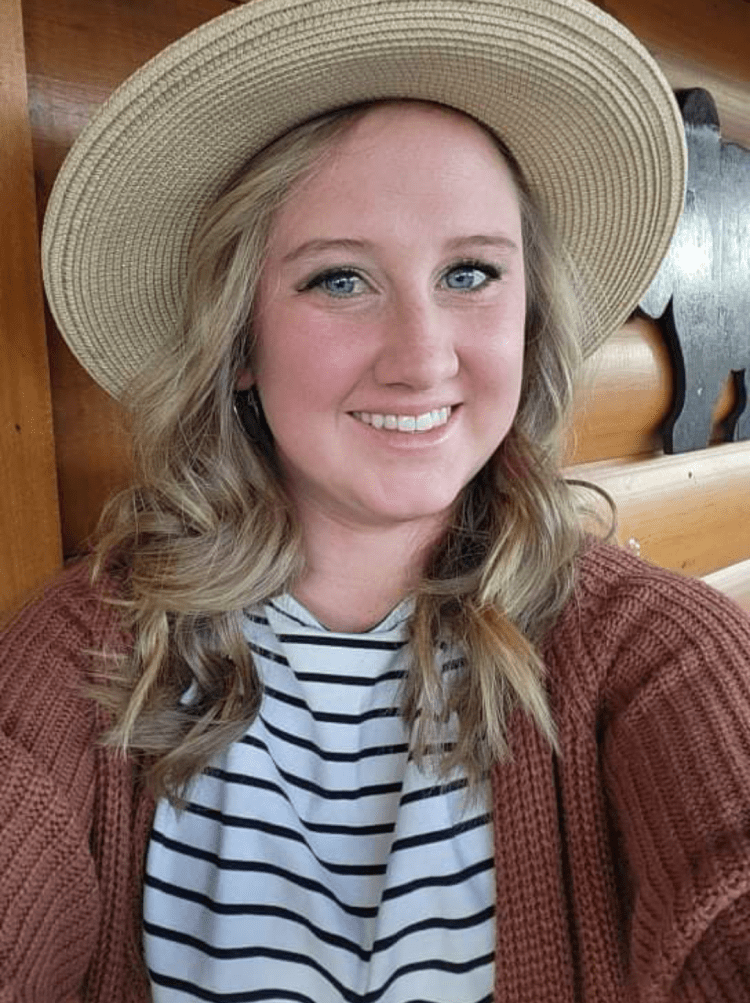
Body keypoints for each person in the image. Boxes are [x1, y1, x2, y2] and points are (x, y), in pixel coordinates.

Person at [2, 0, 750, 1000]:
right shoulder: (80, 657)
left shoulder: (656, 656)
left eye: (470, 272)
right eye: (341, 280)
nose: (423, 358)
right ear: (239, 342)